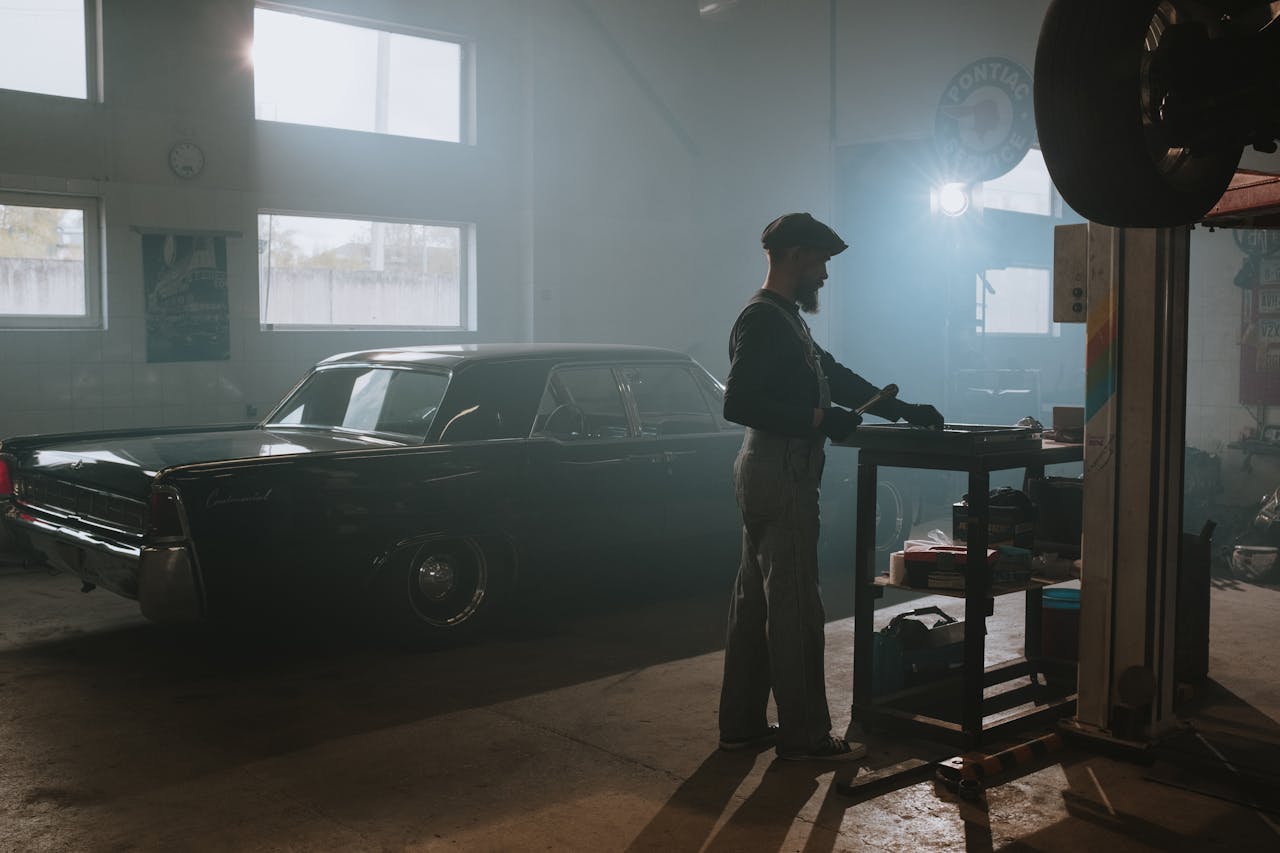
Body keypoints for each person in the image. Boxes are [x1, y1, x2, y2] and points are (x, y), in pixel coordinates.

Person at [717, 212, 944, 761]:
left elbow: (834, 374)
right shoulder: (765, 319)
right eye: (820, 261)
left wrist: (902, 411)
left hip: (770, 470)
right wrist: (820, 419)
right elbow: (739, 403)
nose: (824, 274)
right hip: (782, 470)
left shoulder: (784, 318)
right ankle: (805, 737)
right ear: (796, 255)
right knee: (796, 608)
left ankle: (742, 727)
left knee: (755, 606)